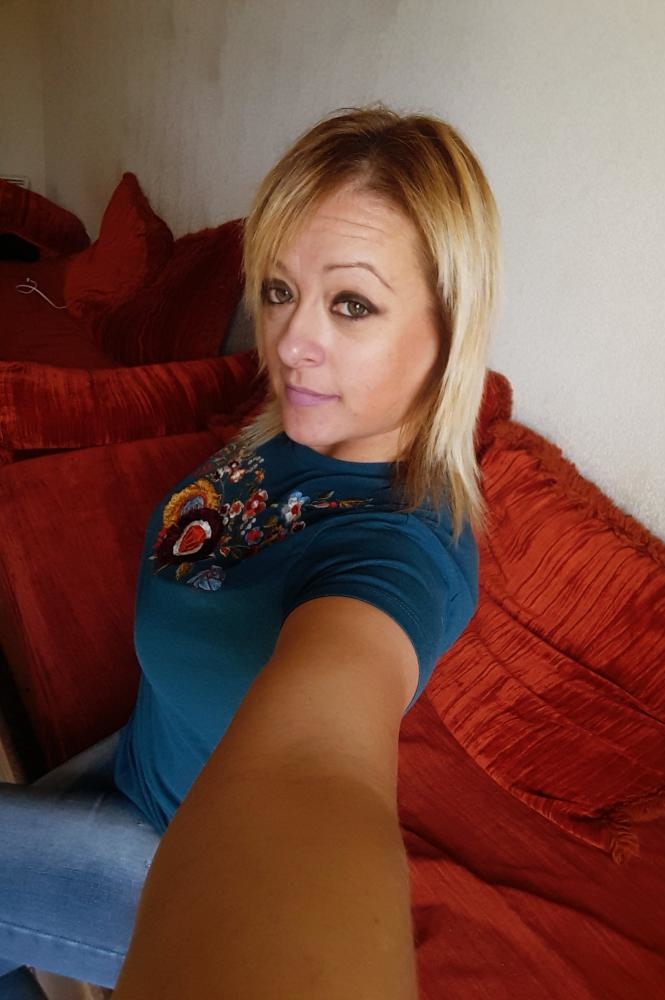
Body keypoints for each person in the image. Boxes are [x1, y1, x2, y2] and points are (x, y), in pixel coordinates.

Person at [0, 105, 500, 1000]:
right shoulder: (291, 430)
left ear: (450, 329)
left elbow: (318, 772)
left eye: (352, 304)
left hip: (177, 863)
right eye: (277, 290)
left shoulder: (400, 548)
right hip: (140, 757)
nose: (291, 343)